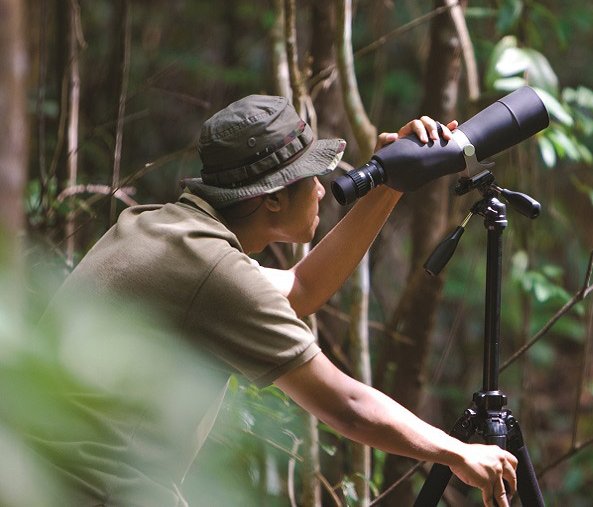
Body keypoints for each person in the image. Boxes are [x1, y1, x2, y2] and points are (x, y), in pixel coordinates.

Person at [39, 95, 517, 506]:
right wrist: (458, 452)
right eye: (311, 177)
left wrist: (391, 183)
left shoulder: (159, 227)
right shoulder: (214, 273)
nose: (320, 189)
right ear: (270, 198)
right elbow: (347, 405)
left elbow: (301, 289)